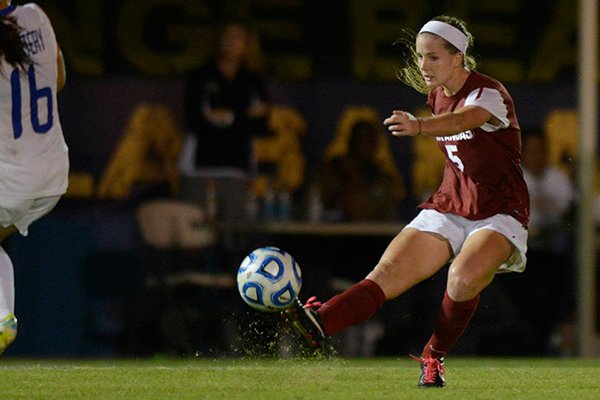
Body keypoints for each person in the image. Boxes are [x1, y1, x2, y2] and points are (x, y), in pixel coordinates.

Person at [284, 15, 529, 388]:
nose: (423, 66)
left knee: (462, 278)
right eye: (419, 57)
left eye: (433, 57)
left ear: (458, 57)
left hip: (498, 210)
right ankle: (321, 322)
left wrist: (418, 126)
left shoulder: (488, 93)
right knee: (386, 275)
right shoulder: (436, 96)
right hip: (450, 204)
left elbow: (465, 119)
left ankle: (433, 356)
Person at [0, 1, 69, 353]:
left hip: (10, 179)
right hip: (52, 171)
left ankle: (0, 316)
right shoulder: (36, 15)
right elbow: (58, 81)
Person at [180, 17, 270, 221]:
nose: (231, 43)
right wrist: (242, 116)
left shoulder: (253, 81)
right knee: (195, 231)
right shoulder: (199, 77)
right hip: (199, 168)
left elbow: (260, 124)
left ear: (247, 44)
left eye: (237, 37)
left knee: (233, 234)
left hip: (236, 168)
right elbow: (196, 121)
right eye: (226, 37)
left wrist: (228, 117)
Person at [316, 109, 405, 222]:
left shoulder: (380, 176)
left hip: (371, 234)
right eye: (361, 139)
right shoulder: (332, 170)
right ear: (351, 141)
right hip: (335, 232)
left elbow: (387, 213)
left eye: (370, 141)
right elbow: (323, 205)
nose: (365, 146)